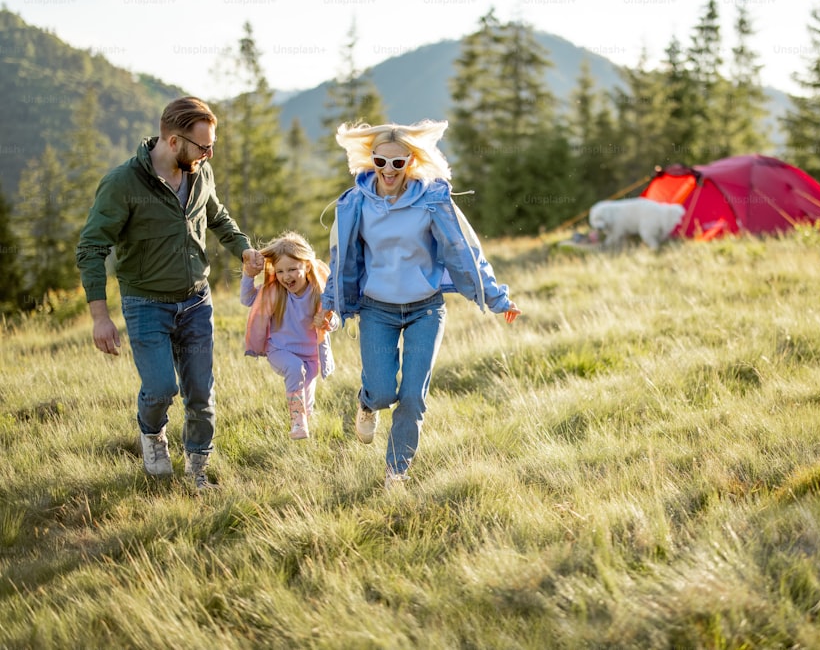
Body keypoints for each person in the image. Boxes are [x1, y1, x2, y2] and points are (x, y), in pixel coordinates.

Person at [319, 119, 521, 490]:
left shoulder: (432, 199)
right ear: (372, 160)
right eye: (382, 162)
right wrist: (330, 302)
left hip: (425, 309)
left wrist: (496, 297)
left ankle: (396, 472)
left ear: (411, 162)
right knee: (383, 392)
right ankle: (367, 403)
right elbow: (341, 257)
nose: (390, 170)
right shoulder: (355, 204)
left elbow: (465, 250)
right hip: (376, 309)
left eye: (399, 163)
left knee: (413, 396)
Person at [76, 96, 263, 490]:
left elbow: (217, 215)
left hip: (197, 300)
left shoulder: (200, 171)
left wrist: (243, 248)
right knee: (161, 387)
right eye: (203, 146)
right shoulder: (122, 183)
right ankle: (152, 433)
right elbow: (91, 247)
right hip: (146, 304)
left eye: (212, 145)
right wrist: (99, 316)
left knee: (200, 392)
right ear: (174, 141)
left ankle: (198, 469)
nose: (210, 153)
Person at [241, 231, 335, 440]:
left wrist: (329, 322)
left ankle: (300, 436)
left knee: (306, 406)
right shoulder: (274, 290)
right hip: (279, 349)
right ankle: (297, 423)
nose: (286, 276)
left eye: (292, 269)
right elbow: (247, 299)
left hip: (311, 357)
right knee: (294, 369)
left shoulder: (319, 291)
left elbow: (334, 317)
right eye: (281, 271)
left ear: (307, 266)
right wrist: (248, 275)